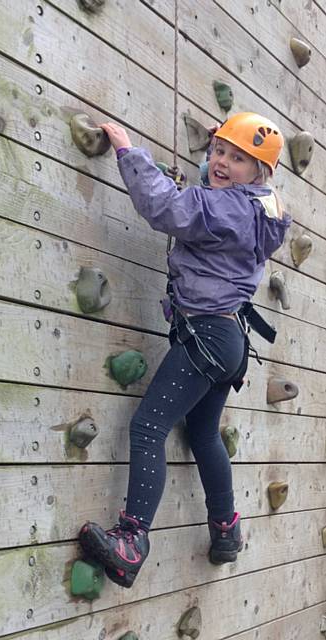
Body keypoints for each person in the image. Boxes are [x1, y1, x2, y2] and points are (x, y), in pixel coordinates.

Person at [79, 112, 291, 588]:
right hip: (228, 339)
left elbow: (170, 210)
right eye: (218, 150)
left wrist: (128, 151)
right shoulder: (256, 208)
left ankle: (132, 542)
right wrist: (217, 161)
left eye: (239, 159)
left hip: (208, 337)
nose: (221, 162)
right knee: (204, 435)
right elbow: (207, 193)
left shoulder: (226, 209)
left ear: (261, 173)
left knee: (148, 426)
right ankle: (226, 531)